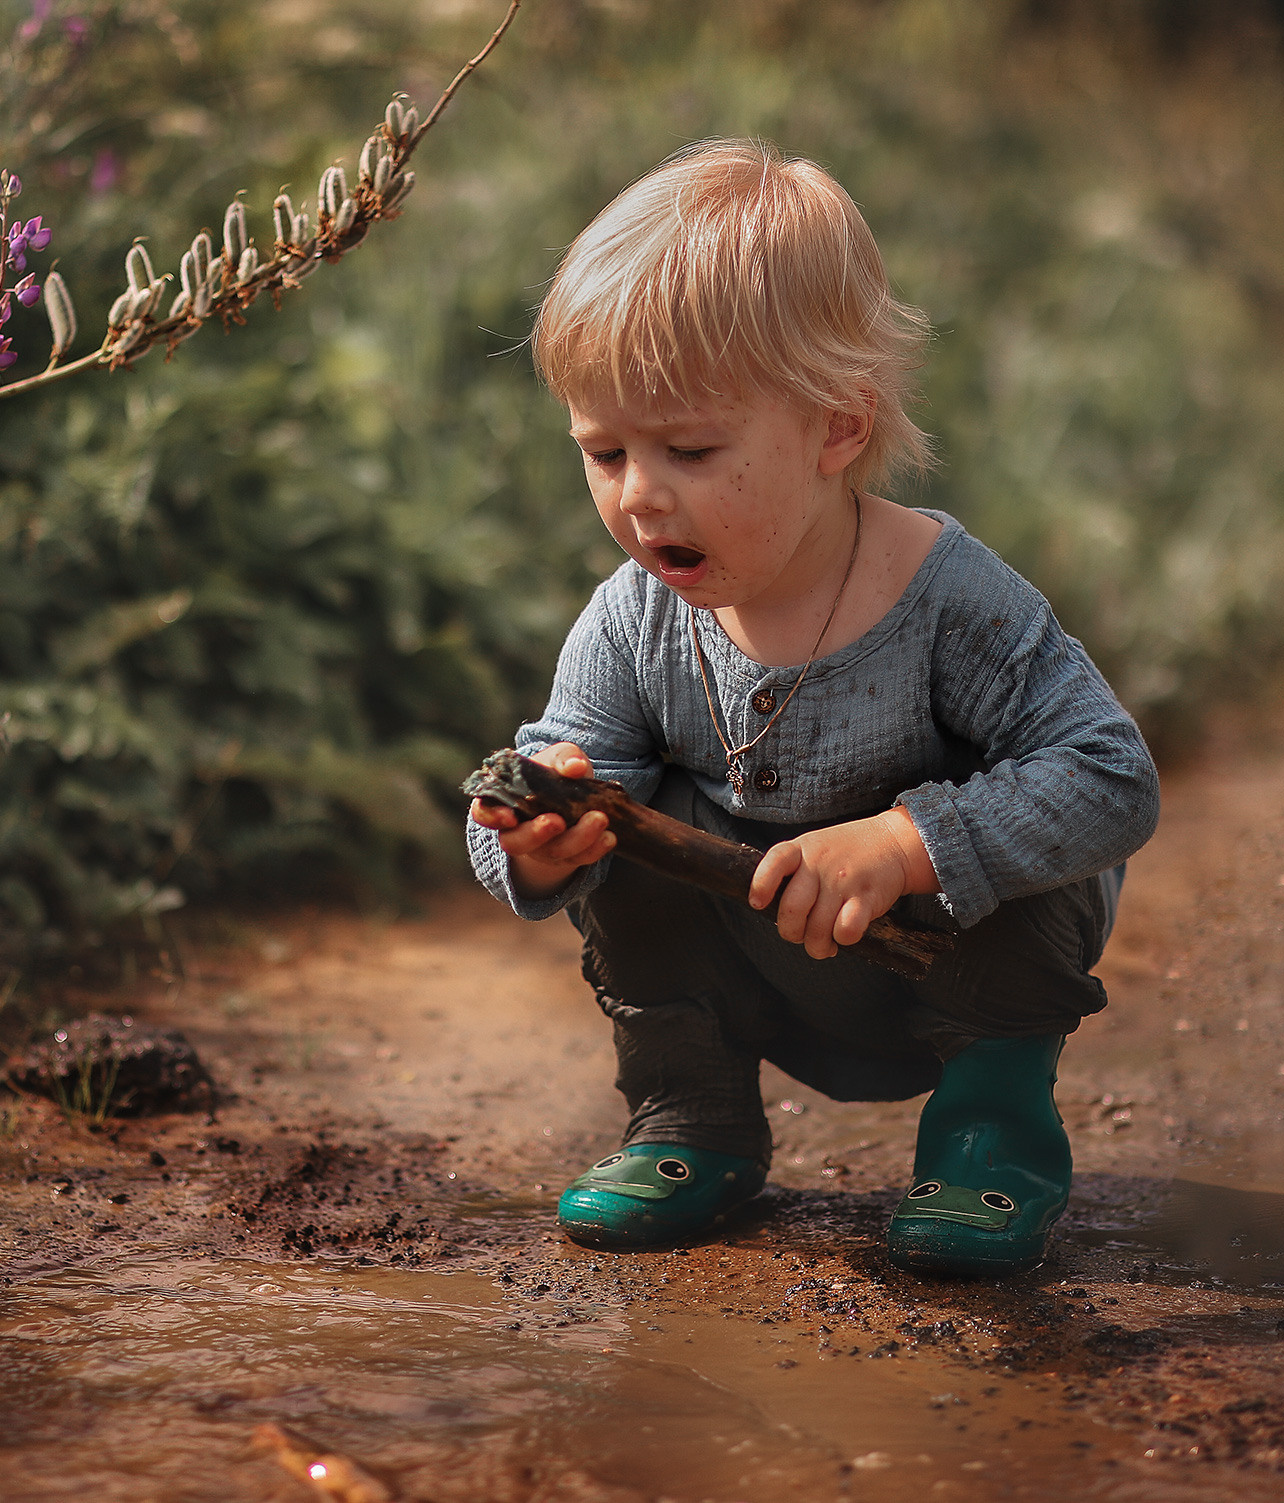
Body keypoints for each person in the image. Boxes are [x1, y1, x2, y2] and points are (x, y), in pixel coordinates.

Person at [466, 139, 1160, 1276]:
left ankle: (989, 1136)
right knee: (615, 800)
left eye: (689, 447)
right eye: (603, 451)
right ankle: (689, 1117)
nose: (638, 495)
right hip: (750, 965)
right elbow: (553, 764)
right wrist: (539, 846)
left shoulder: (951, 604)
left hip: (945, 970)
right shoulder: (633, 619)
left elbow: (1110, 778)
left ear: (837, 428)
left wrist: (906, 843)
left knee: (1042, 830)